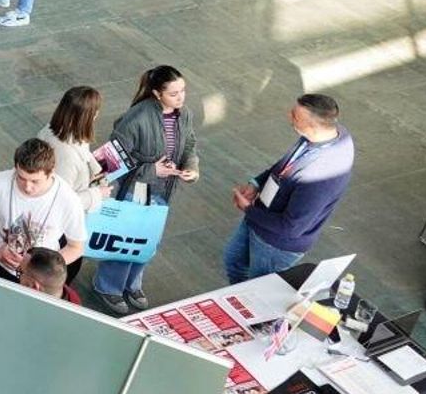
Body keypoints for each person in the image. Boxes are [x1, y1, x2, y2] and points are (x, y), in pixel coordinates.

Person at [92, 66, 199, 315]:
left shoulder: (184, 114)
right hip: (135, 190)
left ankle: (132, 283)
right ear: (157, 93)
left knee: (148, 239)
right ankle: (108, 286)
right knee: (125, 240)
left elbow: (190, 144)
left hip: (163, 191)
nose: (180, 98)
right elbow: (111, 162)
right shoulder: (136, 118)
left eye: (183, 91)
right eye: (173, 93)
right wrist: (153, 170)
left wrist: (191, 167)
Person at [224, 95, 355, 284]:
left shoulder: (320, 174)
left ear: (313, 126)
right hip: (260, 216)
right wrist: (257, 183)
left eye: (295, 116)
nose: (289, 116)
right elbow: (285, 165)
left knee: (259, 287)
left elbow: (291, 227)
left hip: (275, 243)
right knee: (234, 262)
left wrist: (247, 209)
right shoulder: (326, 134)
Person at [0, 138, 86, 295]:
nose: (27, 187)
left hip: (36, 280)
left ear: (51, 172)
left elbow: (76, 247)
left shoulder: (69, 200)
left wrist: (40, 269)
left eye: (35, 181)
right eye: (21, 178)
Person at [35, 86, 109, 282]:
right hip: (61, 229)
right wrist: (97, 194)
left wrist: (95, 168)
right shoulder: (66, 154)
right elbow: (62, 201)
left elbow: (83, 153)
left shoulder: (55, 130)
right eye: (95, 112)